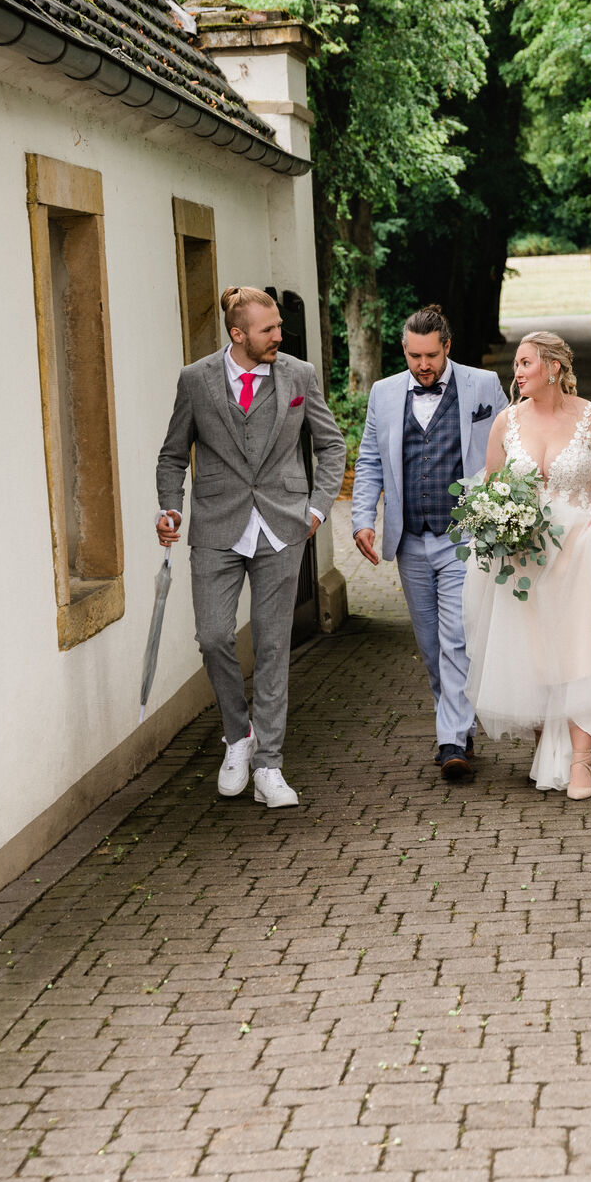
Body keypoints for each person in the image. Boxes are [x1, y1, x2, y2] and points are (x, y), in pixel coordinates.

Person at [156, 286, 346, 810]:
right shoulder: (196, 380)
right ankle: (238, 736)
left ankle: (269, 766)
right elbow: (172, 455)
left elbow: (331, 445)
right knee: (214, 635)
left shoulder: (298, 376)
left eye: (279, 327)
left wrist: (317, 507)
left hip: (283, 527)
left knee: (270, 646)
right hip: (216, 526)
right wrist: (169, 507)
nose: (279, 337)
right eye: (269, 330)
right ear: (237, 334)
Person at [463, 330, 591, 798]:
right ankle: (544, 748)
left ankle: (579, 761)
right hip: (524, 556)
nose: (518, 372)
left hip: (580, 550)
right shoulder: (506, 423)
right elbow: (490, 487)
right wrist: (496, 522)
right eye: (516, 365)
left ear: (553, 368)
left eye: (526, 363)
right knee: (535, 655)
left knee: (580, 654)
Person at [351, 304, 509, 780]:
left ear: (447, 348)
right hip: (410, 540)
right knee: (430, 644)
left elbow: (513, 446)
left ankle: (451, 741)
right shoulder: (383, 393)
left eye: (431, 356)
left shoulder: (482, 386)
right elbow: (371, 460)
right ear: (404, 350)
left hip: (463, 535)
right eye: (415, 356)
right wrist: (363, 519)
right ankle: (459, 726)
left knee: (456, 639)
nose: (423, 365)